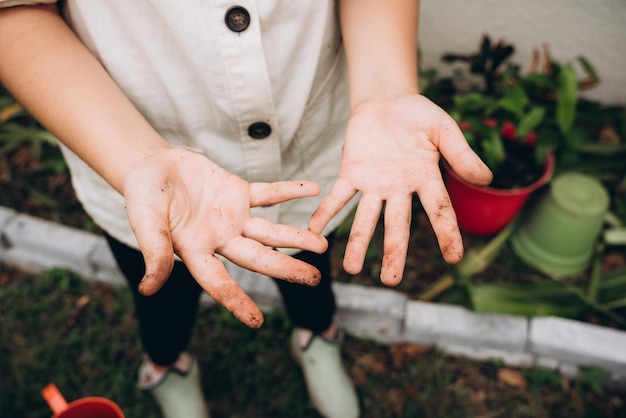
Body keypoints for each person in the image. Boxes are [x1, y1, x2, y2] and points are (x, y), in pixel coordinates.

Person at [0, 1, 492, 417]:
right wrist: (138, 158)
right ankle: (167, 364)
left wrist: (385, 86)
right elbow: (16, 10)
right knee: (163, 295)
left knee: (310, 264)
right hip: (137, 162)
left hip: (316, 149)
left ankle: (317, 337)